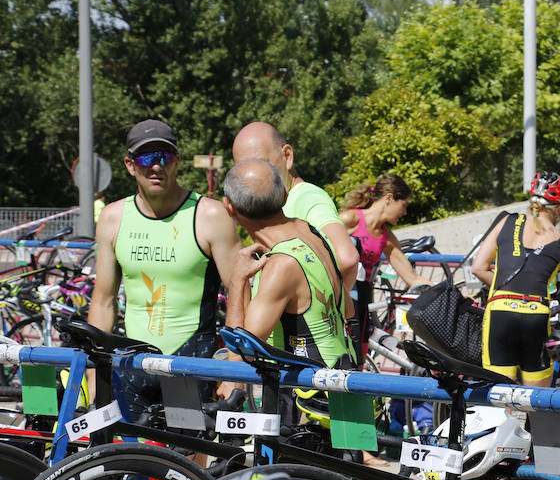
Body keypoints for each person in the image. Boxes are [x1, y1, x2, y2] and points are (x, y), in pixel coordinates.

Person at [88, 119, 240, 415]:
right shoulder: (113, 218)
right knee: (129, 459)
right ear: (130, 165)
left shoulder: (208, 215)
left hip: (191, 362)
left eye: (164, 157)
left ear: (177, 162)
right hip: (133, 363)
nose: (155, 166)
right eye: (146, 158)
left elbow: (239, 293)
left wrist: (235, 368)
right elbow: (103, 301)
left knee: (184, 461)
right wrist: (94, 373)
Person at [222, 159, 354, 371]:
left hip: (310, 397)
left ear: (229, 206)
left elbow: (240, 357)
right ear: (285, 194)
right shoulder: (312, 233)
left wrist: (238, 280)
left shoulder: (282, 265)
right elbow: (348, 310)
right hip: (343, 380)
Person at [469, 172, 560, 386]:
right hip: (535, 316)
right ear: (559, 209)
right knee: (536, 399)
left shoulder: (507, 222)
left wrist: (504, 289)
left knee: (497, 395)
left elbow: (478, 268)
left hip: (500, 312)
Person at [231, 122, 359, 286]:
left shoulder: (308, 198)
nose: (253, 177)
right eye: (243, 170)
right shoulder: (280, 202)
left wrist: (332, 307)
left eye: (262, 164)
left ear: (287, 156)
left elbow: (347, 259)